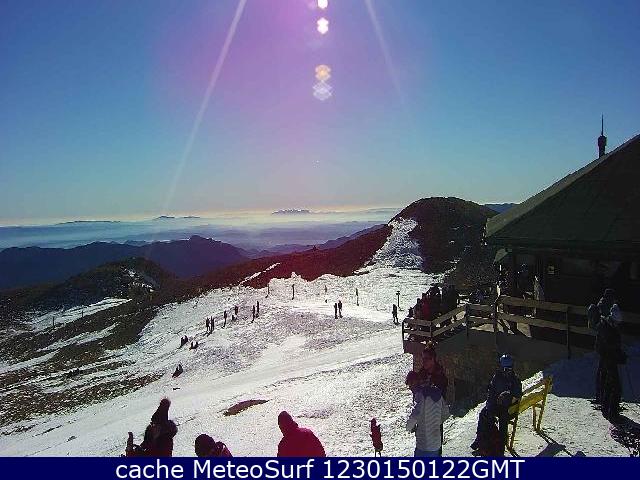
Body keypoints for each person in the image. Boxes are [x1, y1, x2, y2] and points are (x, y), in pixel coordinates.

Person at [471, 354, 522, 456]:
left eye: (508, 368)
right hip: (500, 406)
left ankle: (497, 449)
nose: (507, 371)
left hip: (506, 409)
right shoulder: (502, 377)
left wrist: (507, 397)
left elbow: (516, 396)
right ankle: (481, 442)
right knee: (484, 414)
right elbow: (492, 392)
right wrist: (490, 406)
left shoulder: (511, 379)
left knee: (497, 420)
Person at [595, 292, 625, 421]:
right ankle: (612, 413)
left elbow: (613, 345)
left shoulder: (609, 326)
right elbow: (609, 346)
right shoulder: (606, 327)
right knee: (615, 387)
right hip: (608, 359)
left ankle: (607, 409)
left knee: (609, 384)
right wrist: (618, 354)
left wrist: (620, 353)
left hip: (609, 359)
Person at [405, 371, 450, 457]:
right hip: (436, 442)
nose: (410, 388)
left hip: (424, 444)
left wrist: (408, 427)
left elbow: (415, 415)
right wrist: (435, 422)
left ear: (414, 382)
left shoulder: (420, 395)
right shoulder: (437, 392)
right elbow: (446, 413)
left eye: (410, 385)